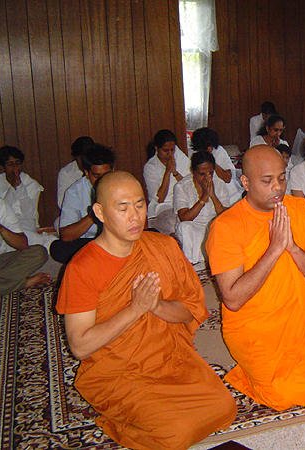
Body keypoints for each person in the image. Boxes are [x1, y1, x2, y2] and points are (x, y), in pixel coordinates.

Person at [55, 171, 236, 449]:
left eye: (140, 205)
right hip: (119, 372)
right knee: (176, 433)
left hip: (168, 358)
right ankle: (122, 419)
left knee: (224, 408)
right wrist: (135, 309)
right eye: (123, 208)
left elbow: (190, 310)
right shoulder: (82, 268)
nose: (135, 217)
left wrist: (157, 305)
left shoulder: (162, 247)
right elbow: (80, 346)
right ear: (100, 213)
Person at [205, 145, 305, 411]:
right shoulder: (227, 226)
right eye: (267, 181)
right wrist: (274, 250)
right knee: (281, 391)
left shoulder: (302, 211)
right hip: (259, 329)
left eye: (282, 178)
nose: (277, 187)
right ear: (246, 183)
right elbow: (234, 300)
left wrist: (293, 248)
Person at [0, 178, 50, 298]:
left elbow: (23, 244)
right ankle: (24, 283)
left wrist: (0, 228)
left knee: (40, 253)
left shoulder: (1, 207)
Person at [50, 144, 114, 263]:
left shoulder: (122, 184)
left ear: (113, 171)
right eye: (96, 176)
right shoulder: (74, 191)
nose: (102, 180)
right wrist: (93, 216)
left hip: (118, 239)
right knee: (58, 248)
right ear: (87, 173)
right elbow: (66, 235)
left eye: (106, 175)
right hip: (90, 242)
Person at [0, 146, 57, 250]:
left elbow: (30, 213)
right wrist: (12, 188)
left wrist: (19, 187)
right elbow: (1, 212)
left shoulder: (31, 184)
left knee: (45, 241)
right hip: (6, 227)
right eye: (10, 164)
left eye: (17, 163)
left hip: (26, 225)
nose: (15, 167)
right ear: (3, 167)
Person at [174, 151, 230, 265]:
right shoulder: (181, 186)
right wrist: (204, 197)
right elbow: (184, 218)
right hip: (193, 226)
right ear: (193, 172)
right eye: (202, 174)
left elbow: (225, 216)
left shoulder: (219, 184)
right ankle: (192, 264)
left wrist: (213, 196)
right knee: (185, 227)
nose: (207, 177)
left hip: (213, 225)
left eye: (210, 173)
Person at [143, 129, 191, 235]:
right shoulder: (150, 167)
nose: (170, 154)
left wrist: (175, 173)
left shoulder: (179, 157)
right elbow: (160, 199)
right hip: (164, 207)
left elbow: (190, 186)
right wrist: (168, 172)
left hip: (184, 201)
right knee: (174, 225)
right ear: (157, 148)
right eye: (165, 150)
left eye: (172, 150)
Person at [190, 127, 243, 204]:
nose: (210, 149)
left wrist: (210, 160)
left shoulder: (218, 150)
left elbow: (227, 179)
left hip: (231, 194)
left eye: (211, 146)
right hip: (207, 195)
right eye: (207, 147)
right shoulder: (192, 154)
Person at [57, 136, 94, 210]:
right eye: (82, 158)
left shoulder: (98, 168)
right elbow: (62, 202)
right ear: (76, 157)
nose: (85, 161)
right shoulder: (66, 173)